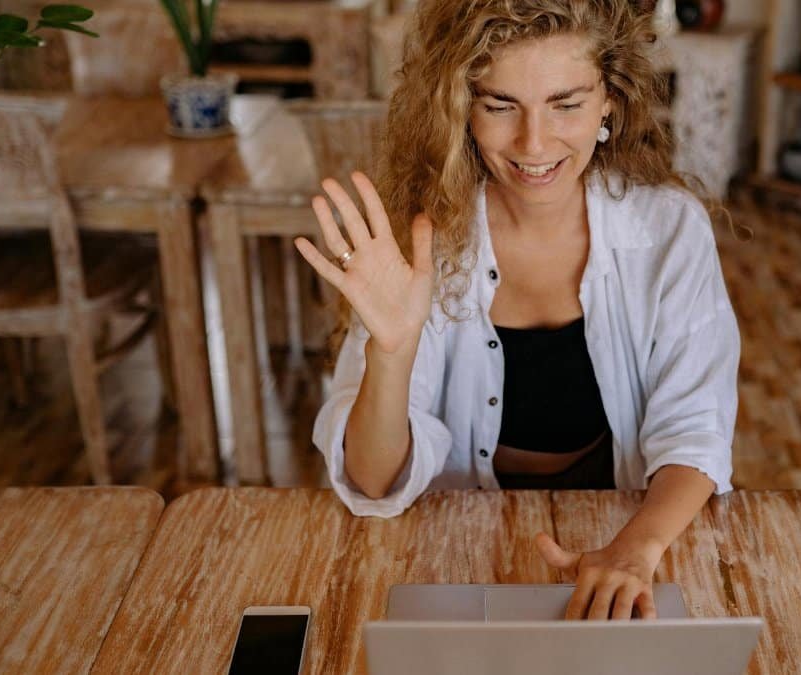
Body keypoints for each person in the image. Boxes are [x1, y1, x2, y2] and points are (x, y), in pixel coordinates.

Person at [295, 0, 741, 621]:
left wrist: (634, 552)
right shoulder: (423, 242)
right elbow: (372, 481)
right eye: (501, 105)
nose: (535, 143)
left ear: (609, 100)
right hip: (452, 549)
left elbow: (696, 427)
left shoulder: (670, 231)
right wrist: (389, 353)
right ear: (461, 110)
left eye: (566, 103)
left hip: (626, 528)